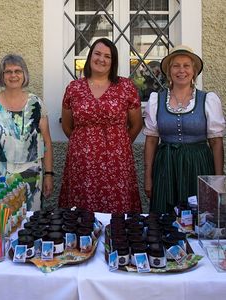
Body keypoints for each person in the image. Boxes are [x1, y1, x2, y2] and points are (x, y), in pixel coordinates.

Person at [59, 38, 143, 213]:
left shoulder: (125, 87)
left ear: (113, 62)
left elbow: (136, 125)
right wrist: (83, 143)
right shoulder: (74, 88)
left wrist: (120, 144)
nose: (101, 59)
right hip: (82, 162)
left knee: (117, 213)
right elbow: (68, 126)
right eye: (97, 54)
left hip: (117, 162)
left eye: (107, 56)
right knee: (82, 212)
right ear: (90, 57)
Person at [143, 45, 225, 214]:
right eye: (176, 65)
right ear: (169, 71)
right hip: (165, 167)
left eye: (186, 65)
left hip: (198, 165)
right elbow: (151, 141)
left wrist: (218, 180)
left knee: (199, 218)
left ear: (194, 71)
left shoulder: (208, 100)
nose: (181, 70)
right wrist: (148, 177)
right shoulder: (156, 100)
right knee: (164, 220)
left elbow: (216, 143)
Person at [0, 54, 53, 211]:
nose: (13, 75)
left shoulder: (37, 104)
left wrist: (49, 175)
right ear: (2, 76)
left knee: (29, 224)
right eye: (8, 71)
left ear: (24, 75)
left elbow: (47, 143)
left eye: (18, 71)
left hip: (31, 178)